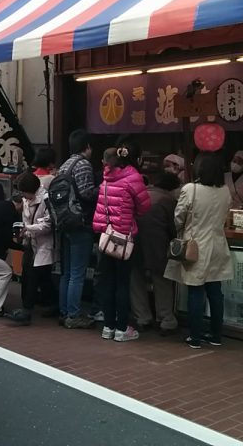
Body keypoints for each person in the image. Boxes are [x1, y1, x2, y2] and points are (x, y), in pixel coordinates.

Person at [165, 152, 233, 349]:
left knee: (196, 291)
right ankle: (216, 335)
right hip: (218, 245)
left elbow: (179, 217)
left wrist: (183, 230)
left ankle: (195, 337)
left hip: (195, 247)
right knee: (215, 291)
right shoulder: (225, 191)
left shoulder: (190, 189)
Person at [93, 145, 151, 342]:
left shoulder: (105, 181)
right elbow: (145, 206)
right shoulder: (133, 178)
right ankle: (121, 328)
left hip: (106, 237)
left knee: (108, 282)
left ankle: (108, 326)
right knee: (123, 283)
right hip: (124, 238)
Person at [58, 129, 99, 329]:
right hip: (79, 221)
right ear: (87, 146)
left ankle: (65, 311)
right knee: (77, 272)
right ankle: (73, 315)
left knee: (67, 271)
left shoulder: (65, 165)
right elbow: (87, 193)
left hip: (65, 220)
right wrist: (105, 188)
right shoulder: (83, 164)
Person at [131, 172, 180, 335]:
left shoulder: (140, 194)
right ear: (172, 188)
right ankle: (166, 320)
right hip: (158, 246)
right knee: (162, 281)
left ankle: (142, 318)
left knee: (136, 279)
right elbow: (175, 227)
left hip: (135, 243)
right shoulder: (167, 200)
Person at [8, 171, 55, 325]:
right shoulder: (28, 198)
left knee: (35, 275)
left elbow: (48, 225)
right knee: (33, 275)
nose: (23, 196)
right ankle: (49, 304)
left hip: (43, 243)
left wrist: (28, 228)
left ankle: (27, 310)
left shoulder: (46, 200)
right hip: (31, 242)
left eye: (25, 193)